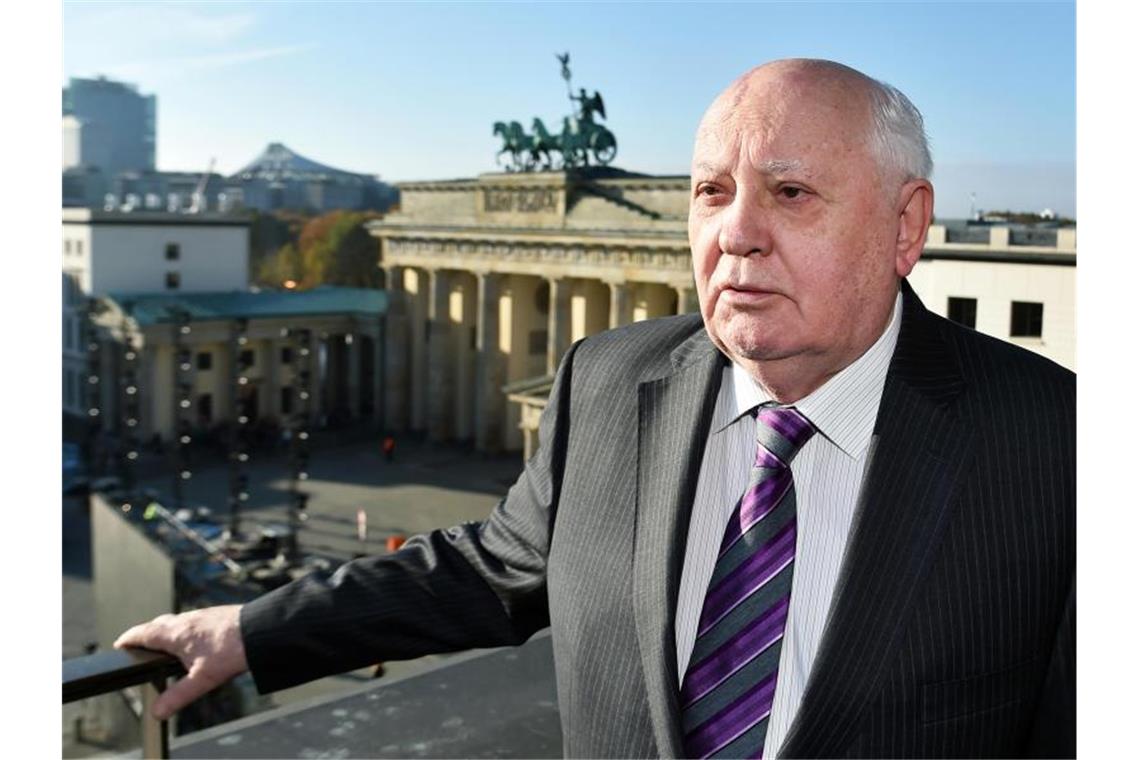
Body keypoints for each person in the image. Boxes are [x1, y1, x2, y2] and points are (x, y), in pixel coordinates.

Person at [115, 59, 1074, 759]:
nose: (737, 233)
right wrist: (252, 629)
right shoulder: (610, 383)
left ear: (906, 225)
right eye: (710, 192)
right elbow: (488, 571)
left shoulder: (1056, 440)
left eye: (790, 193)